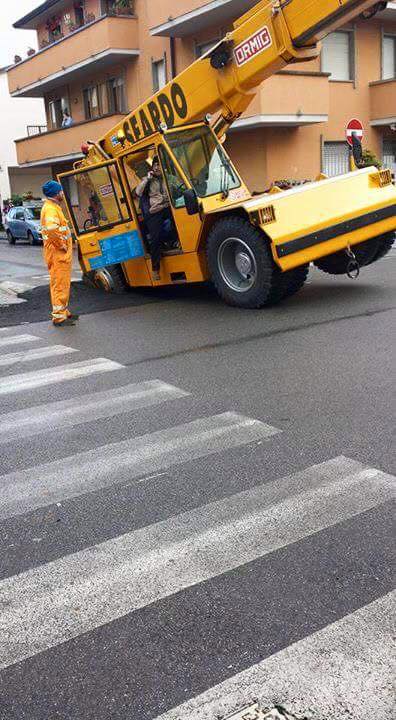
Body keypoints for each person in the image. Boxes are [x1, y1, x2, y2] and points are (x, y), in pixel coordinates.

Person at [40, 180, 78, 327]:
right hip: (57, 252)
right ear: (56, 193)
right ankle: (58, 316)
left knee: (62, 282)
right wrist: (62, 245)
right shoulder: (50, 209)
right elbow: (51, 230)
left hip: (58, 252)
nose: (63, 192)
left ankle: (63, 311)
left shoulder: (53, 207)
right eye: (61, 191)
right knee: (59, 283)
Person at [136, 156, 176, 282]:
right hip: (154, 211)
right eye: (155, 165)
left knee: (182, 214)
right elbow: (138, 192)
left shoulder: (168, 178)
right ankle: (155, 269)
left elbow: (179, 184)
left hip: (168, 206)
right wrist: (147, 179)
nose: (158, 167)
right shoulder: (148, 180)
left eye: (160, 164)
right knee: (155, 238)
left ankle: (175, 242)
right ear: (152, 167)